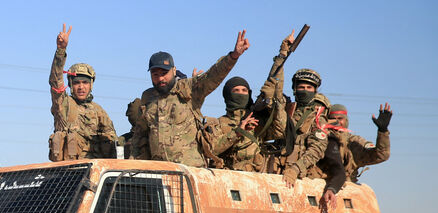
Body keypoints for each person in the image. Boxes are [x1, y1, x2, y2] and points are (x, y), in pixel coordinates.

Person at [127, 30, 250, 166]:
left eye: (164, 73)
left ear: (174, 71)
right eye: (155, 74)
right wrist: (135, 166)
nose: (160, 78)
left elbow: (212, 76)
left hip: (189, 171)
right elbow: (140, 137)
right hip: (159, 172)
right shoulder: (148, 97)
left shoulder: (189, 89)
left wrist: (233, 56)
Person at [208, 31, 295, 172]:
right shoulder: (218, 124)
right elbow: (211, 150)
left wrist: (274, 101)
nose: (241, 94)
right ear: (227, 95)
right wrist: (238, 132)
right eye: (236, 91)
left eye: (244, 91)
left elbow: (280, 130)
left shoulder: (257, 122)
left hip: (255, 179)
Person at [48, 23, 117, 162]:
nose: (81, 87)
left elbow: (112, 142)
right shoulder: (63, 104)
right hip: (65, 170)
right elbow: (55, 81)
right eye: (77, 83)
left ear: (91, 85)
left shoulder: (98, 111)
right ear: (70, 85)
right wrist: (61, 51)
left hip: (92, 170)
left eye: (85, 83)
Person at [278, 68, 331, 184]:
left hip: (301, 176)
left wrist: (295, 169)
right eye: (301, 87)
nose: (305, 91)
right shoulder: (287, 110)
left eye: (309, 88)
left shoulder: (317, 117)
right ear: (295, 89)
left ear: (315, 90)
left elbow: (316, 149)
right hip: (277, 169)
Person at [325, 103, 392, 182]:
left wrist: (382, 131)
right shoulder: (320, 140)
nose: (337, 122)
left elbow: (382, 155)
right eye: (333, 119)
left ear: (346, 120)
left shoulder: (353, 142)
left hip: (346, 189)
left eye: (340, 118)